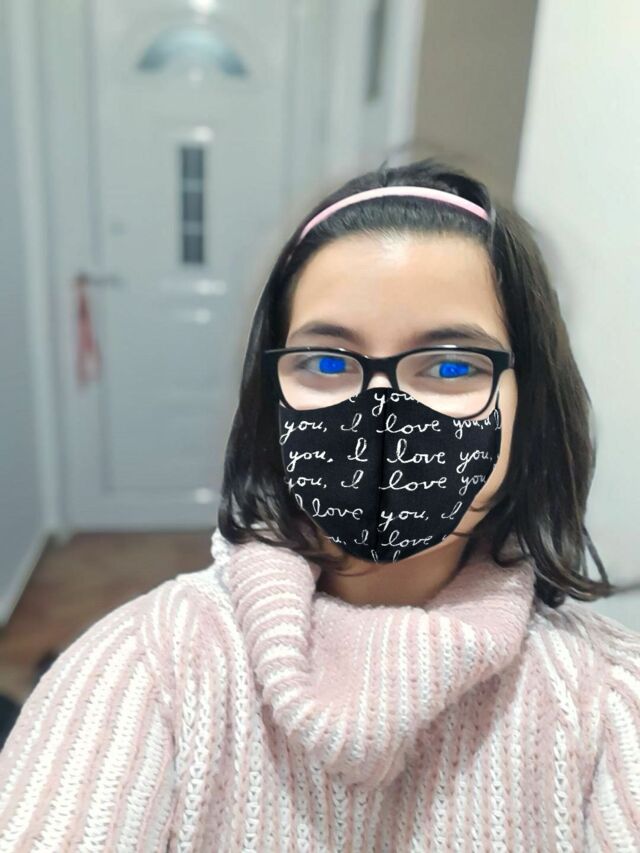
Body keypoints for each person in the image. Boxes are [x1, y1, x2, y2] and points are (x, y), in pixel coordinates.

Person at [0, 157, 638, 851]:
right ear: (271, 400)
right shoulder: (142, 671)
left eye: (452, 365)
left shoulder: (608, 702)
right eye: (328, 363)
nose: (382, 412)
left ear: (529, 406)